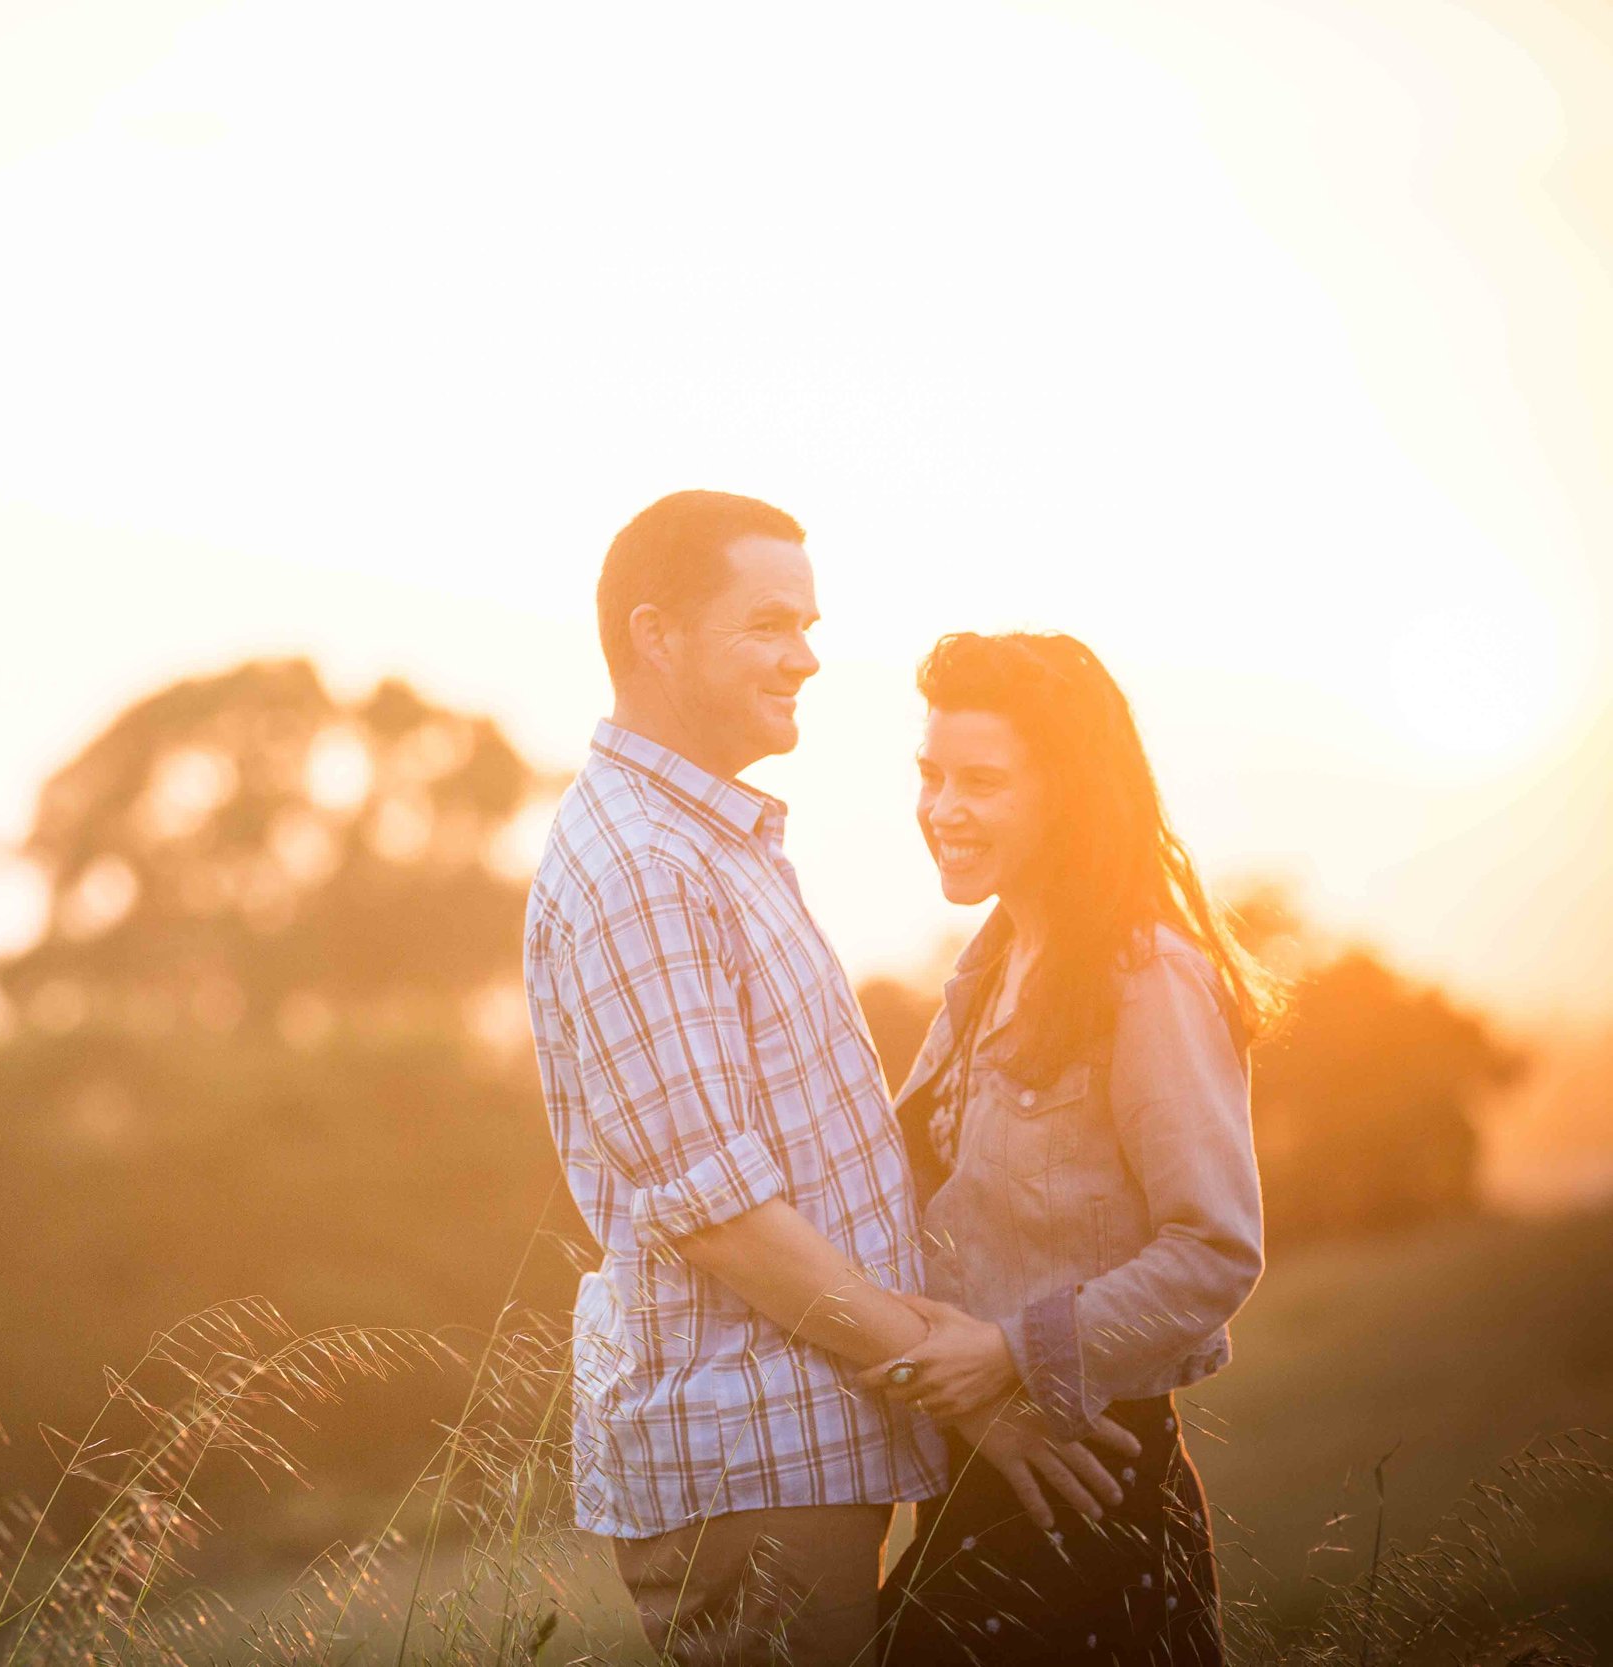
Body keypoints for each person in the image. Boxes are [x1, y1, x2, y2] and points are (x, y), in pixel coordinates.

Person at [524, 496, 1134, 1667]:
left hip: (797, 1444)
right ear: (656, 636)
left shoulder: (705, 839)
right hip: (752, 1461)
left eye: (807, 623)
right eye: (768, 624)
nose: (805, 655)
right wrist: (954, 1381)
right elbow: (722, 1217)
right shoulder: (645, 866)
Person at [861, 632, 1279, 1666]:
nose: (941, 808)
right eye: (930, 775)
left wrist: (1009, 1354)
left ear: (1067, 794)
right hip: (979, 1470)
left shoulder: (1146, 974)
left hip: (1088, 1483)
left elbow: (1215, 1250)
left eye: (981, 781)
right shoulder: (991, 958)